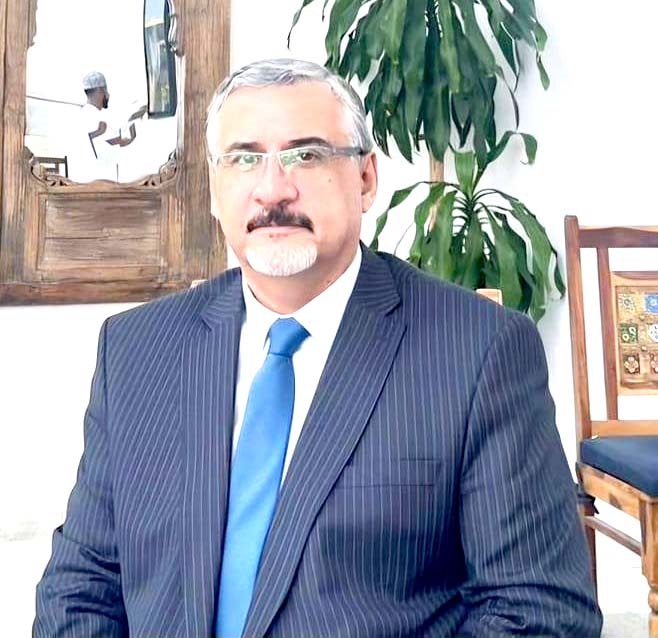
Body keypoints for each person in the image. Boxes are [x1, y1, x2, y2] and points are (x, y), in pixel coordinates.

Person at [34, 58, 602, 637]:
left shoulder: (480, 352)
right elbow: (82, 587)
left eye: (305, 155)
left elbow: (538, 612)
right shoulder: (135, 350)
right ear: (214, 190)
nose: (272, 189)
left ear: (366, 179)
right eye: (244, 158)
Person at [68, 71, 146, 182]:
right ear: (100, 90)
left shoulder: (81, 115)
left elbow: (119, 141)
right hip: (98, 185)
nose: (108, 95)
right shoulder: (93, 116)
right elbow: (118, 140)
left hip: (88, 183)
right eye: (106, 90)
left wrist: (132, 121)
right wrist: (133, 116)